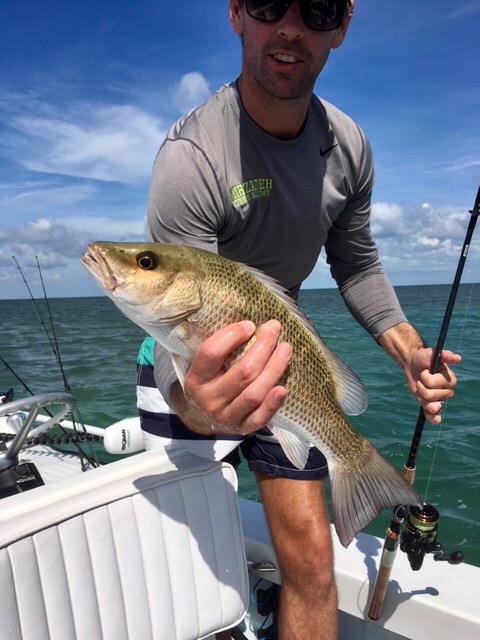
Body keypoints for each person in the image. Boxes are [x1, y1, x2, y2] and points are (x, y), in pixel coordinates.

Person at [137, 2, 461, 638]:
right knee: (179, 552)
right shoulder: (191, 158)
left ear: (341, 26)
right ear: (236, 14)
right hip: (183, 356)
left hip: (288, 362)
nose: (289, 28)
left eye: (315, 9)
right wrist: (202, 404)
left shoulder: (349, 147)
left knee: (313, 565)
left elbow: (357, 264)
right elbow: (181, 314)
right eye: (267, 4)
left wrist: (410, 351)